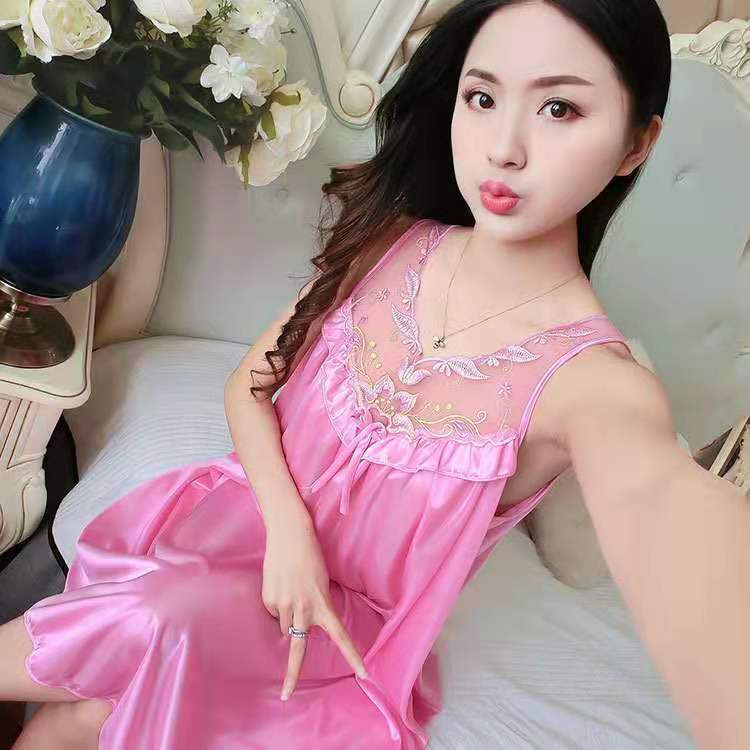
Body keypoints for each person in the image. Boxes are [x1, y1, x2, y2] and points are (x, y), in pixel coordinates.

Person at [1, 0, 747, 748]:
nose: (505, 149)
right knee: (93, 706)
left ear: (636, 144)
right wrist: (289, 536)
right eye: (482, 98)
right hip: (231, 526)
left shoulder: (595, 383)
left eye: (560, 108)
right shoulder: (392, 241)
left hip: (329, 630)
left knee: (156, 621)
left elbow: (669, 506)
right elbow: (249, 388)